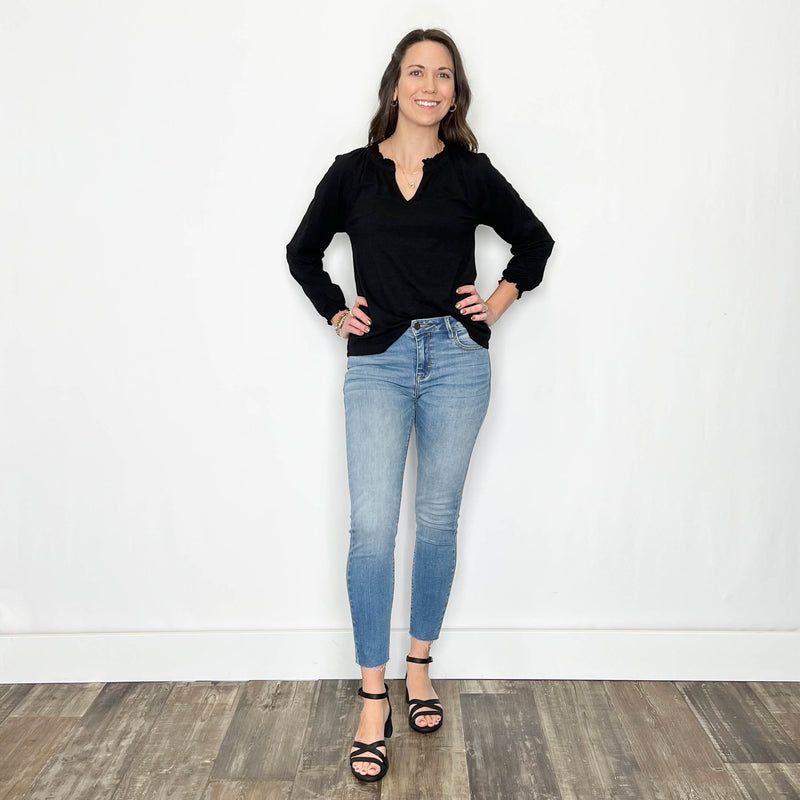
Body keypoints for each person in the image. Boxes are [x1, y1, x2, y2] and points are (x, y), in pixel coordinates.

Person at [286, 28, 554, 782]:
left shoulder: (471, 173)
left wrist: (494, 304)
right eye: (416, 72)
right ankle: (373, 697)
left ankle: (419, 667)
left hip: (457, 361)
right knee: (372, 530)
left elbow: (534, 242)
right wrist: (337, 311)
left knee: (436, 520)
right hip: (378, 362)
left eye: (443, 75)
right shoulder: (352, 173)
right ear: (394, 85)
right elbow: (302, 253)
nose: (429, 86)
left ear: (455, 93)